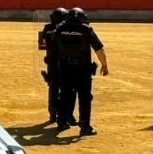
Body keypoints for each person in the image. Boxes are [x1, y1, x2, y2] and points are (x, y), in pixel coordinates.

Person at [52, 7, 108, 135]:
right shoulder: (86, 30)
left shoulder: (60, 29)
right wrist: (104, 65)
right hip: (82, 70)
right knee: (85, 98)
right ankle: (84, 126)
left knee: (64, 95)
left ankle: (61, 122)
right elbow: (99, 50)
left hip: (65, 68)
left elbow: (52, 47)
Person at [38, 7, 66, 125]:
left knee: (53, 88)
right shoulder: (66, 28)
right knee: (65, 89)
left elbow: (41, 44)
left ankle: (52, 115)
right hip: (64, 62)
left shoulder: (47, 27)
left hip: (51, 62)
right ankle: (63, 116)